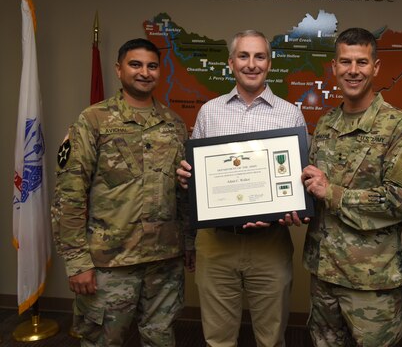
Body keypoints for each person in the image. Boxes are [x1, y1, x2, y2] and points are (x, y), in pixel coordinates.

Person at [51, 38, 191, 346]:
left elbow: (183, 192)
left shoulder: (174, 124)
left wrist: (189, 244)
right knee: (102, 341)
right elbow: (69, 195)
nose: (144, 72)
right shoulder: (93, 121)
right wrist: (77, 262)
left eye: (152, 66)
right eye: (136, 64)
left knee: (161, 339)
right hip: (110, 264)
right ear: (119, 69)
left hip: (164, 262)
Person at [176, 30, 307, 347]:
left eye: (259, 56)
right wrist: (187, 178)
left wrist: (290, 208)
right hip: (217, 245)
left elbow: (299, 179)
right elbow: (200, 175)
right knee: (218, 339)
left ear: (269, 63)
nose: (252, 64)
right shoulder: (210, 111)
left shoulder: (290, 113)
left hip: (270, 244)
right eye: (244, 56)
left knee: (272, 338)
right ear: (231, 63)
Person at [300, 27, 402, 346]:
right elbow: (312, 189)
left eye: (361, 62)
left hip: (371, 286)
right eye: (345, 62)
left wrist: (333, 193)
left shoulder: (399, 127)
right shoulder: (326, 124)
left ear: (376, 67)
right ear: (334, 67)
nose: (353, 71)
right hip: (323, 275)